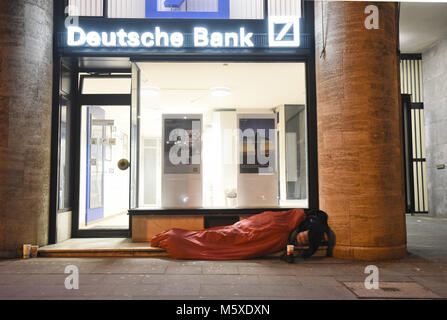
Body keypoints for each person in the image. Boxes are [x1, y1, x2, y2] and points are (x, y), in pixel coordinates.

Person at [151, 209, 335, 261]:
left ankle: (177, 238)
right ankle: (177, 238)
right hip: (257, 227)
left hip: (258, 227)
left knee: (221, 236)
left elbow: (290, 246)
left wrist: (296, 250)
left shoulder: (293, 228)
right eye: (304, 237)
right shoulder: (294, 221)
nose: (300, 240)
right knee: (223, 236)